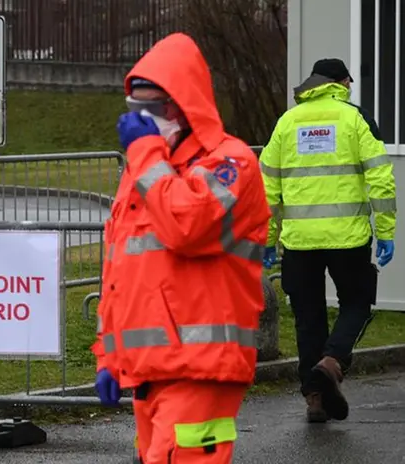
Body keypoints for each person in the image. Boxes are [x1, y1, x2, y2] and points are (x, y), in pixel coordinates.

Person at [91, 32, 271, 463]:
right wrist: (108, 357)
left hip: (201, 366)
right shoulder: (149, 168)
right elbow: (121, 273)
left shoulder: (230, 162)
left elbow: (188, 227)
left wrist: (144, 152)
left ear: (183, 105)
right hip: (153, 370)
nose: (145, 118)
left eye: (154, 107)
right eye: (136, 109)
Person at [259, 58, 397, 423]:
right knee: (358, 303)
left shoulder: (287, 123)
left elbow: (268, 188)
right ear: (340, 82)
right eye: (349, 80)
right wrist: (386, 230)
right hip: (348, 238)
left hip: (299, 240)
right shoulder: (355, 118)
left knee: (308, 319)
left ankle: (315, 398)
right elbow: (380, 178)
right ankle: (332, 362)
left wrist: (267, 239)